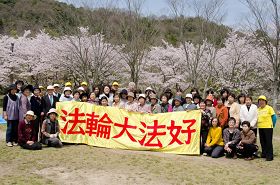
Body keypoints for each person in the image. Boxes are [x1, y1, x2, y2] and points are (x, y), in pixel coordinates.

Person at [257, 95, 277, 161]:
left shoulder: (269, 108)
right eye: (259, 101)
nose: (261, 102)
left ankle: (270, 156)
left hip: (268, 127)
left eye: (262, 100)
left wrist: (272, 125)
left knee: (268, 142)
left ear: (265, 101)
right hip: (260, 127)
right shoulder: (258, 109)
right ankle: (264, 154)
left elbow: (274, 117)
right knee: (262, 141)